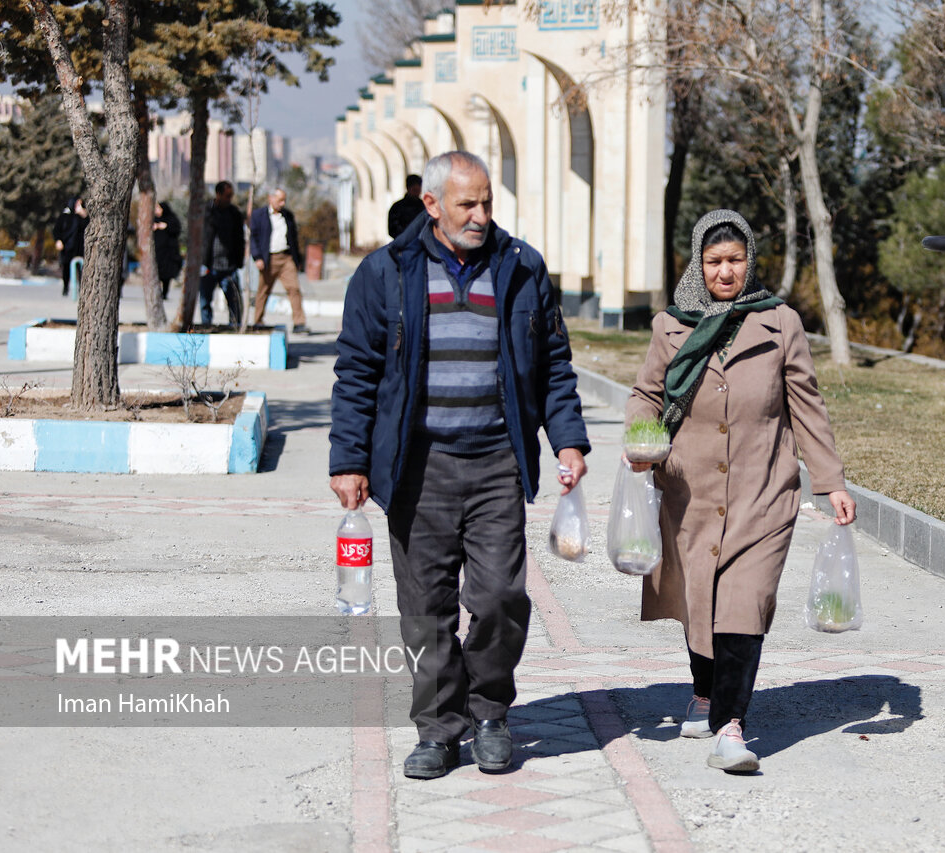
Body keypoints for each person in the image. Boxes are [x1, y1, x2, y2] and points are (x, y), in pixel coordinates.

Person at [329, 151, 590, 780]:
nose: (479, 216)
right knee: (425, 606)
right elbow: (356, 373)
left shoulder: (521, 267)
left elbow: (553, 363)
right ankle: (439, 729)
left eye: (487, 203)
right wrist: (349, 459)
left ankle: (491, 712)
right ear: (432, 204)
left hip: (498, 461)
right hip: (417, 467)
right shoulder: (386, 272)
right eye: (466, 204)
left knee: (501, 596)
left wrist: (569, 440)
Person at [624, 209, 857, 774]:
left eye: (735, 261)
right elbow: (646, 396)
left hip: (763, 488)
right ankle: (704, 694)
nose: (725, 272)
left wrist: (829, 482)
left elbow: (807, 406)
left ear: (750, 261)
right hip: (688, 487)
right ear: (698, 265)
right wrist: (640, 439)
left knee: (743, 602)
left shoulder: (780, 322)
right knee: (698, 598)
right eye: (714, 262)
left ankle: (730, 726)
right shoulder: (670, 325)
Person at [249, 187, 309, 332]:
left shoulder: (288, 215)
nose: (282, 203)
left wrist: (298, 259)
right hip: (268, 259)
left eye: (284, 200)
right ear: (271, 198)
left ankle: (299, 322)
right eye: (280, 200)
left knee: (294, 288)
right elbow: (253, 238)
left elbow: (294, 238)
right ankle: (258, 321)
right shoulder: (258, 215)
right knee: (263, 291)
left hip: (286, 258)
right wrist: (257, 257)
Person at [200, 181, 245, 326]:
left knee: (234, 300)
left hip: (229, 266)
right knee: (205, 300)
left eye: (231, 196)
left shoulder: (234, 214)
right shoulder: (206, 211)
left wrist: (239, 261)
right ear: (218, 194)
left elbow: (239, 239)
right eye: (227, 196)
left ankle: (235, 326)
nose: (229, 199)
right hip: (209, 265)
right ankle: (206, 326)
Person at [53, 196, 88, 297]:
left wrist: (83, 214)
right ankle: (65, 288)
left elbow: (88, 227)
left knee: (81, 270)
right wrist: (58, 240)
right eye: (77, 204)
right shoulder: (65, 216)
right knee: (66, 268)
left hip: (80, 248)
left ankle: (82, 289)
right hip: (67, 247)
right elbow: (57, 230)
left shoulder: (83, 218)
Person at [152, 201, 182, 299]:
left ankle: (164, 293)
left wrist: (166, 226)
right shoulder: (154, 220)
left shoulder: (171, 219)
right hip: (157, 251)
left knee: (166, 275)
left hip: (168, 253)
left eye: (159, 208)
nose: (157, 211)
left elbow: (176, 230)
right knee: (156, 273)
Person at [387, 173, 424, 238]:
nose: (417, 192)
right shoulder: (397, 208)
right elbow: (392, 230)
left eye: (418, 189)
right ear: (408, 188)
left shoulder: (424, 207)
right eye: (414, 189)